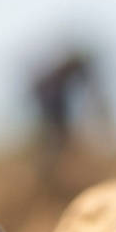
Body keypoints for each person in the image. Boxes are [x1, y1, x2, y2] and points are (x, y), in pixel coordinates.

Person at [27, 45, 107, 186]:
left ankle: (56, 172)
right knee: (55, 139)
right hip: (49, 97)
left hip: (50, 96)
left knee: (57, 139)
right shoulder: (73, 68)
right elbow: (93, 94)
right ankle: (52, 176)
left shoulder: (71, 67)